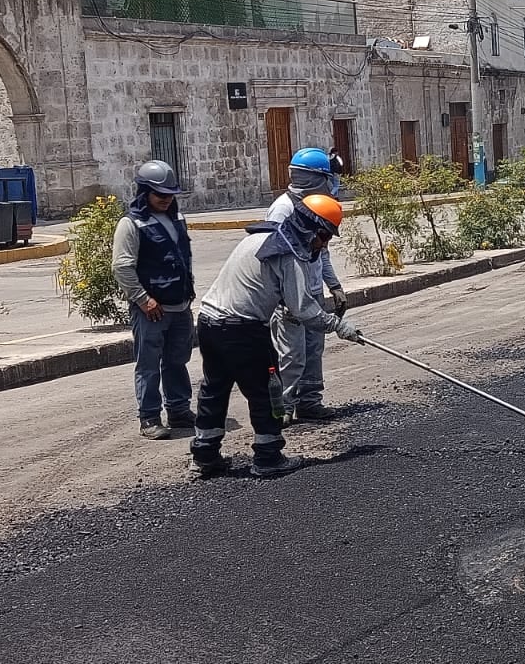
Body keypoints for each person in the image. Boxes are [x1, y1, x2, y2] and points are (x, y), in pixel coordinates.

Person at [189, 194, 361, 478]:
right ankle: (268, 457)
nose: (324, 245)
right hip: (242, 328)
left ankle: (205, 454)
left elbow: (264, 287)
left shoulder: (262, 237)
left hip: (209, 323)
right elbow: (305, 310)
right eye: (324, 237)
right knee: (266, 391)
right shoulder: (287, 254)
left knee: (214, 389)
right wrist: (339, 326)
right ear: (311, 229)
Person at [111, 160, 195, 440]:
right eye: (161, 195)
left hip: (180, 305)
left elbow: (184, 259)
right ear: (144, 192)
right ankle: (149, 418)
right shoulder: (131, 224)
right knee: (148, 364)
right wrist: (143, 299)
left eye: (170, 194)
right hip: (151, 310)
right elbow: (122, 267)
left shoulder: (177, 219)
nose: (166, 199)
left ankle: (179, 410)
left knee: (177, 360)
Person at [267, 147, 348, 423]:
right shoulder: (284, 208)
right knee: (292, 355)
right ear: (315, 178)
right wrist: (283, 297)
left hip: (313, 292)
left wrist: (334, 285)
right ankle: (284, 408)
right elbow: (272, 255)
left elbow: (321, 252)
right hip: (288, 296)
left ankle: (310, 401)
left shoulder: (316, 207)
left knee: (314, 351)